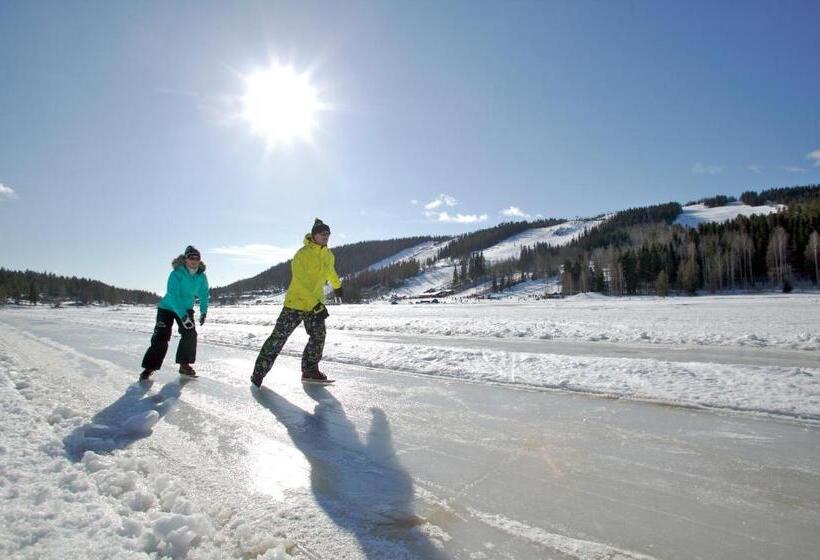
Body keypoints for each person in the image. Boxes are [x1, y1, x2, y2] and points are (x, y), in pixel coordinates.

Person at [251, 218, 343, 387]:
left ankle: (310, 370)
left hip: (315, 304)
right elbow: (300, 283)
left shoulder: (329, 255)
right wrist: (316, 305)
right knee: (278, 338)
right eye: (322, 233)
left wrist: (337, 286)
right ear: (314, 235)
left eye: (328, 234)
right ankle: (259, 372)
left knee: (319, 335)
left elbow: (330, 271)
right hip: (296, 304)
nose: (326, 236)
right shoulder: (302, 254)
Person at [140, 245, 209, 380]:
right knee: (161, 336)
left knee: (190, 334)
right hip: (167, 307)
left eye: (197, 258)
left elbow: (204, 294)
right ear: (185, 259)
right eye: (191, 257)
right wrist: (183, 316)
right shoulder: (176, 274)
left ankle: (184, 365)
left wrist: (204, 311)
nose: (194, 261)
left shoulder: (201, 277)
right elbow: (173, 296)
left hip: (186, 308)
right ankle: (150, 367)